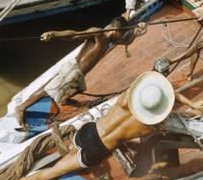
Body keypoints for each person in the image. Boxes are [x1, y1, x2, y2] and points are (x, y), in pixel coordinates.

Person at [13, 71, 203, 180]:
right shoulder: (149, 126)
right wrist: (194, 107)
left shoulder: (125, 99)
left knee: (64, 163)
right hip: (97, 149)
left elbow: (169, 93)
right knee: (58, 170)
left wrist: (188, 104)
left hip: (88, 131)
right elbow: (170, 116)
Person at [14, 17, 145, 128]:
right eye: (121, 33)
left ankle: (65, 100)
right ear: (116, 30)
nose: (122, 36)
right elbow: (74, 34)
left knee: (77, 88)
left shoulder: (110, 40)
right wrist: (54, 34)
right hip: (73, 69)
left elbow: (126, 41)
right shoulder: (98, 33)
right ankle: (21, 107)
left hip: (79, 74)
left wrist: (136, 32)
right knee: (47, 90)